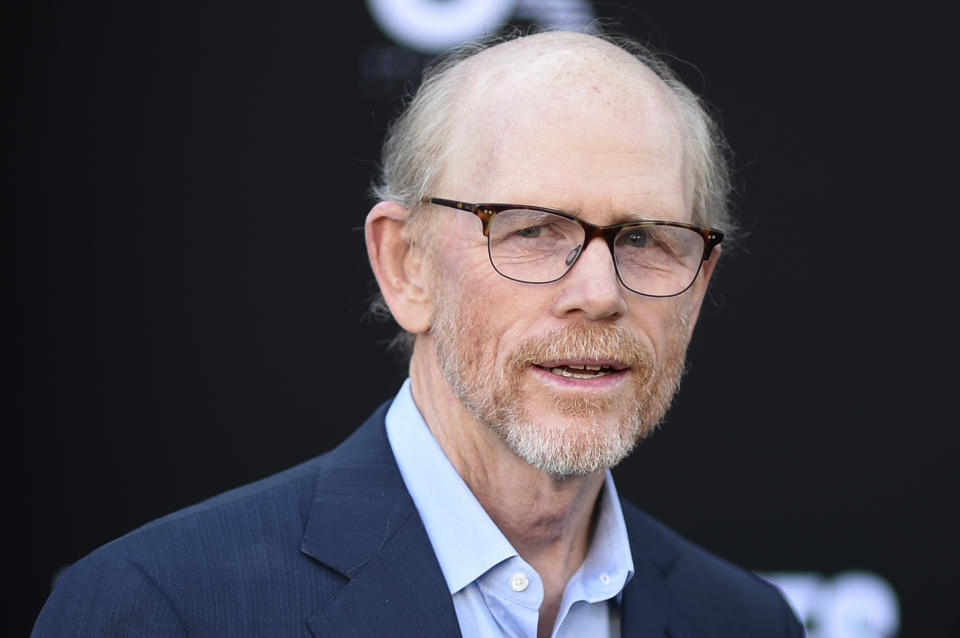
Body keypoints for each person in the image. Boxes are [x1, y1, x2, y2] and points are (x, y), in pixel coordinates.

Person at [32, 29, 804, 637]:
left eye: (644, 238)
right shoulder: (163, 608)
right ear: (406, 266)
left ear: (700, 283)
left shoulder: (744, 621)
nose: (598, 294)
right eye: (533, 229)